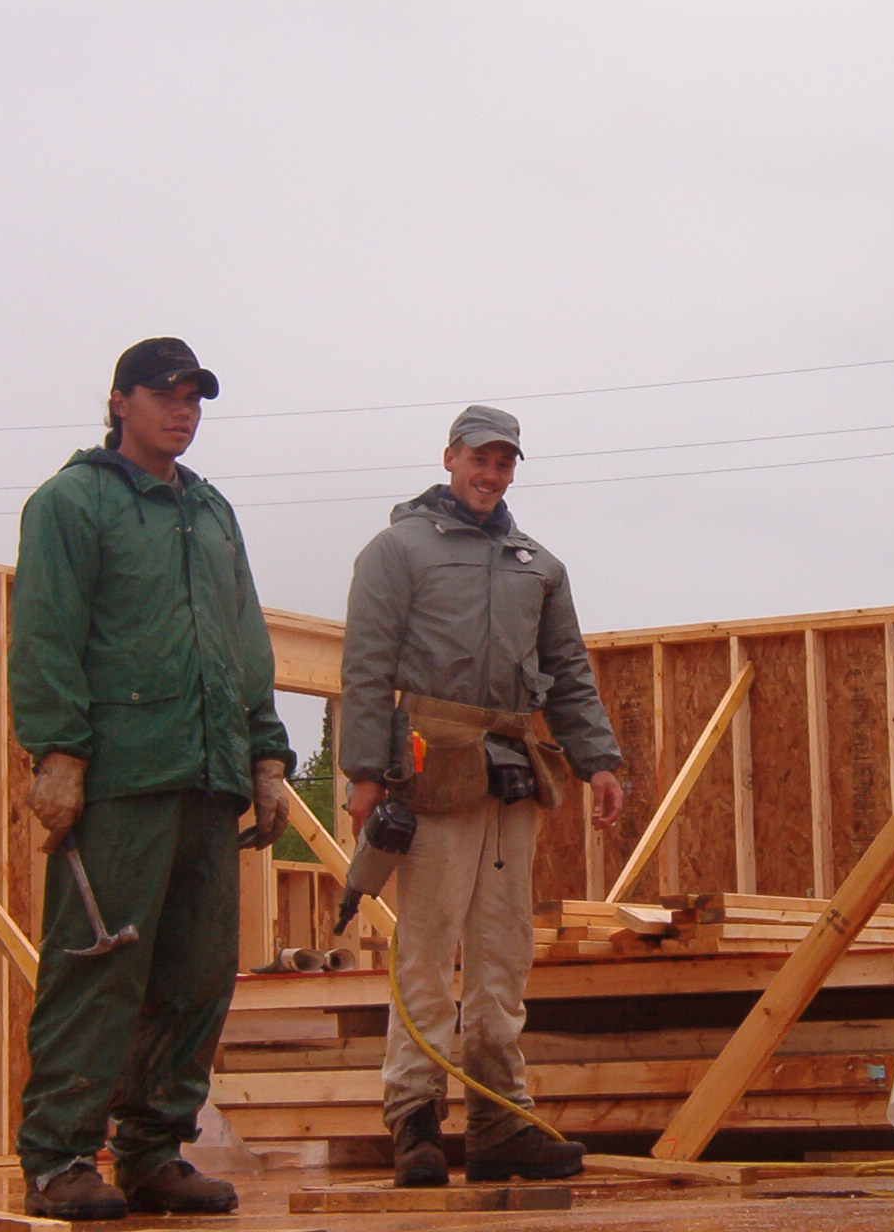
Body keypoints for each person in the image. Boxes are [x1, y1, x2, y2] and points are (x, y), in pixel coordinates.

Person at [9, 337, 296, 1220]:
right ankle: (59, 1158)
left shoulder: (211, 513)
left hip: (209, 775)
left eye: (195, 398)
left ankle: (152, 1151)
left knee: (196, 974)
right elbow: (48, 630)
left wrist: (267, 753)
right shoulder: (72, 502)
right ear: (119, 401)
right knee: (100, 965)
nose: (184, 411)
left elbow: (244, 637)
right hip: (123, 778)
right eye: (167, 395)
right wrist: (58, 753)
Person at [340, 405, 624, 1187]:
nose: (490, 475)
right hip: (431, 765)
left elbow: (568, 672)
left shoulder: (540, 564)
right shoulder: (398, 551)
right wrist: (365, 773)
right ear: (450, 457)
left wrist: (600, 760)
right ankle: (416, 1122)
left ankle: (501, 1121)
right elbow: (364, 667)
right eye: (479, 460)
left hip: (513, 769)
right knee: (425, 949)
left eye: (504, 464)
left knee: (502, 955)